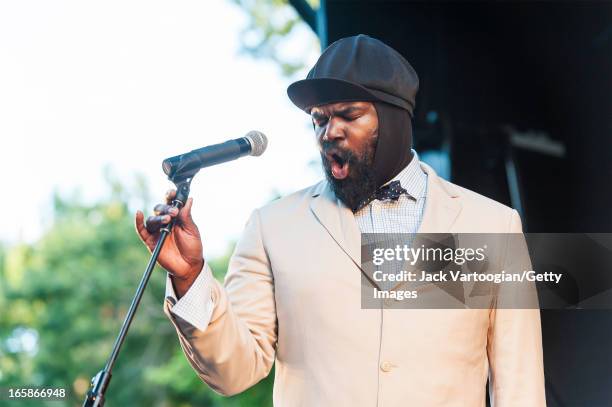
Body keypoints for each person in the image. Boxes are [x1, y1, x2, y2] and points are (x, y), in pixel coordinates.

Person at [135, 35, 546, 406]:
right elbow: (233, 371)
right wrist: (190, 277)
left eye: (348, 115)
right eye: (319, 119)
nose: (328, 132)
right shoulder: (272, 226)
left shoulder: (491, 223)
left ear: (395, 119)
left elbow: (520, 386)